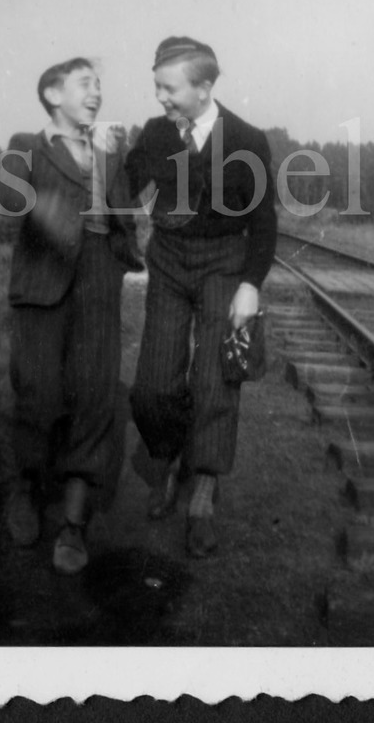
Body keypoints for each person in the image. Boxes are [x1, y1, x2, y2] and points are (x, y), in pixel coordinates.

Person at [126, 37, 277, 558]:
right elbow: (123, 187)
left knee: (214, 382)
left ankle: (203, 494)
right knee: (151, 387)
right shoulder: (155, 133)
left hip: (223, 266)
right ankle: (167, 458)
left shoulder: (247, 140)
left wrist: (250, 286)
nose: (161, 98)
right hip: (168, 262)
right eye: (157, 88)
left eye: (169, 89)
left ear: (204, 87)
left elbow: (263, 224)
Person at [0, 57, 142, 575]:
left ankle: (75, 523)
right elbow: (12, 202)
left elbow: (121, 222)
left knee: (96, 396)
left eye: (100, 84)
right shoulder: (25, 145)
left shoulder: (110, 152)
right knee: (38, 394)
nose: (97, 92)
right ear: (54, 95)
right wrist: (59, 219)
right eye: (86, 83)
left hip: (98, 285)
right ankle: (27, 488)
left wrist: (106, 165)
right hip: (41, 288)